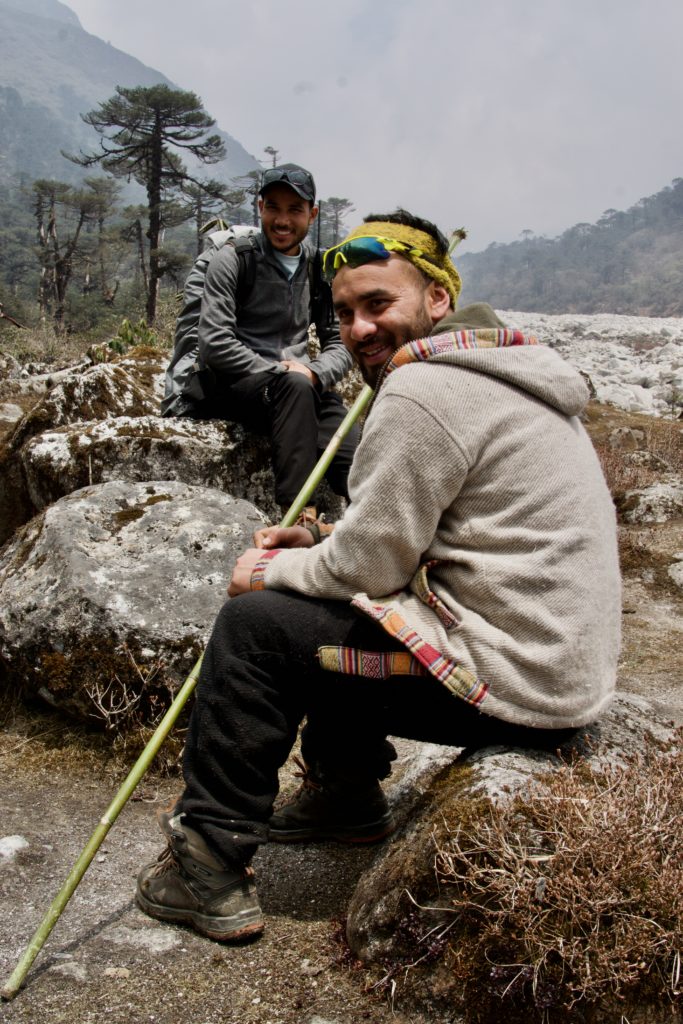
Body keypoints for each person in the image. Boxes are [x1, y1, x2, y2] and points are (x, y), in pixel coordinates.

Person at [137, 209, 621, 944]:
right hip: (558, 669)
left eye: (378, 304)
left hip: (514, 685)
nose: (360, 328)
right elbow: (416, 533)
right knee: (343, 599)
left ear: (436, 298)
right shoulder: (501, 373)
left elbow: (371, 566)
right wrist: (321, 537)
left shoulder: (424, 389)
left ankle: (205, 858)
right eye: (343, 313)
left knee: (258, 627)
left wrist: (271, 567)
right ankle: (343, 795)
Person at [161, 163, 357, 516]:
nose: (283, 220)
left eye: (294, 210)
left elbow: (339, 341)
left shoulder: (318, 268)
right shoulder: (235, 259)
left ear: (312, 214)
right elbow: (215, 342)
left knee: (350, 447)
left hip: (300, 387)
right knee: (294, 387)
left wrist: (316, 373)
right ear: (260, 207)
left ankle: (378, 520)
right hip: (232, 384)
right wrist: (282, 372)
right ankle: (298, 517)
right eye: (274, 208)